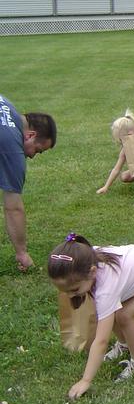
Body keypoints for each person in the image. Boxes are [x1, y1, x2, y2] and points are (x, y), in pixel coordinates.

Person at [48, 233, 134, 399]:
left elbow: (101, 341)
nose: (69, 296)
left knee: (124, 316)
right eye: (63, 291)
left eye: (74, 290)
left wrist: (86, 380)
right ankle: (124, 345)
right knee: (113, 311)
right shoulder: (83, 259)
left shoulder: (106, 289)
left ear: (92, 272)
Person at [0, 93, 56, 271]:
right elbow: (13, 207)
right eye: (38, 151)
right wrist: (22, 253)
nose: (32, 156)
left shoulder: (6, 104)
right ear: (30, 135)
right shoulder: (12, 149)